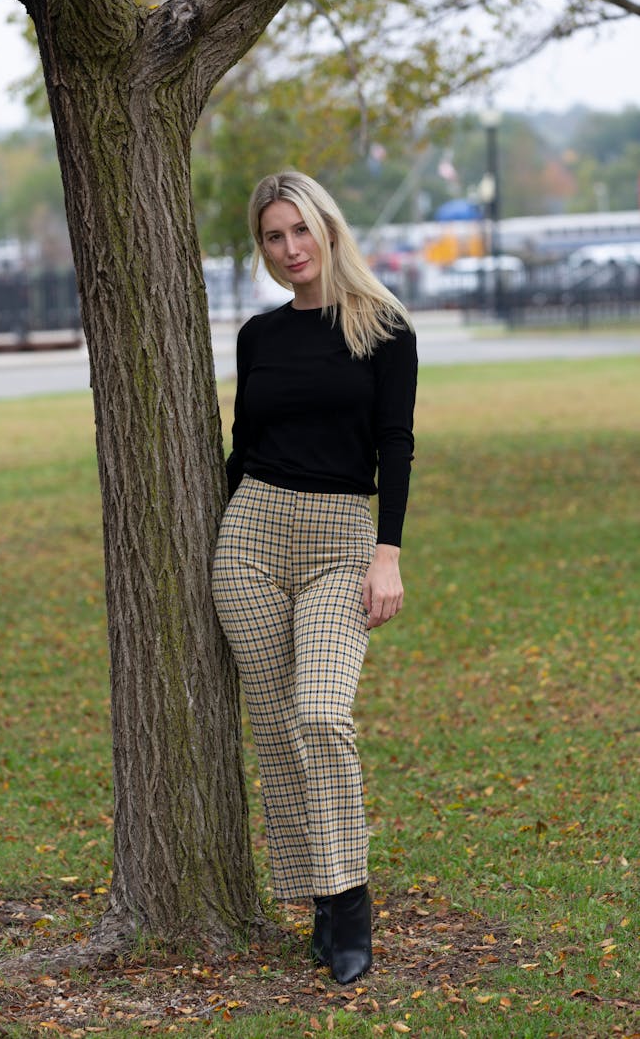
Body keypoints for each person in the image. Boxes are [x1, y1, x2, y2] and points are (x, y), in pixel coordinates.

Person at [211, 172, 417, 985]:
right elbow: (241, 445)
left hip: (340, 540)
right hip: (252, 536)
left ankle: (351, 895)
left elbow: (396, 442)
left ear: (327, 229)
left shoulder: (384, 326)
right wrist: (221, 534)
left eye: (300, 230)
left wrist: (389, 553)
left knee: (322, 712)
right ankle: (319, 902)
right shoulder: (258, 336)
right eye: (273, 236)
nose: (289, 249)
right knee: (275, 729)